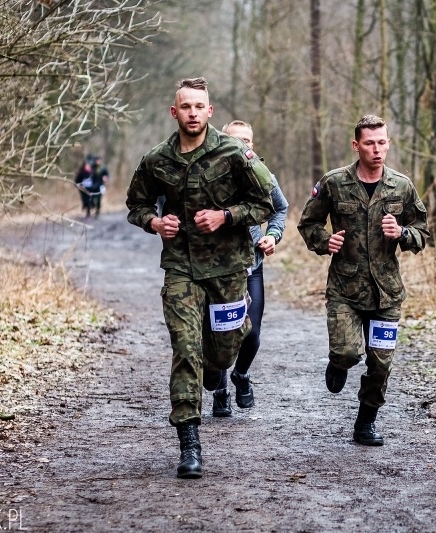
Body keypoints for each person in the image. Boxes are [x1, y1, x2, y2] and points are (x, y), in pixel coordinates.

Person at [126, 77, 275, 479]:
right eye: (185, 107)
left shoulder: (235, 153)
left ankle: (218, 365)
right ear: (174, 112)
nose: (192, 113)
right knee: (185, 348)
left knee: (222, 353)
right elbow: (136, 204)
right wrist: (156, 222)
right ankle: (189, 443)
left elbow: (265, 203)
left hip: (227, 269)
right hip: (181, 268)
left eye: (199, 106)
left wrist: (225, 216)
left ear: (210, 112)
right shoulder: (157, 159)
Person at [297, 114, 429, 446]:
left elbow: (422, 231)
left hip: (386, 292)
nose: (377, 149)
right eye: (369, 143)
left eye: (382, 142)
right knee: (347, 352)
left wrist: (402, 233)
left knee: (381, 363)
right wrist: (325, 241)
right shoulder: (334, 183)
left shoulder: (401, 186)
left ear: (389, 144)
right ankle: (338, 363)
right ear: (356, 145)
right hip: (345, 287)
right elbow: (308, 222)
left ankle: (365, 422)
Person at [206, 120, 289, 415]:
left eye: (248, 140)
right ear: (223, 142)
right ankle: (220, 392)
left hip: (251, 267)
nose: (243, 144)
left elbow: (280, 207)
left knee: (251, 333)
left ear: (253, 144)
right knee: (220, 333)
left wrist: (272, 235)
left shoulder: (263, 175)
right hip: (217, 270)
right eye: (236, 139)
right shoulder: (211, 176)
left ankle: (241, 375)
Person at [75, 154, 109, 219]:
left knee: (98, 199)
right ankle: (90, 211)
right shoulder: (92, 167)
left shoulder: (103, 168)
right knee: (91, 199)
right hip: (93, 186)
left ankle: (97, 212)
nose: (97, 162)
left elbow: (106, 175)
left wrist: (105, 178)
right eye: (96, 160)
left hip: (100, 186)